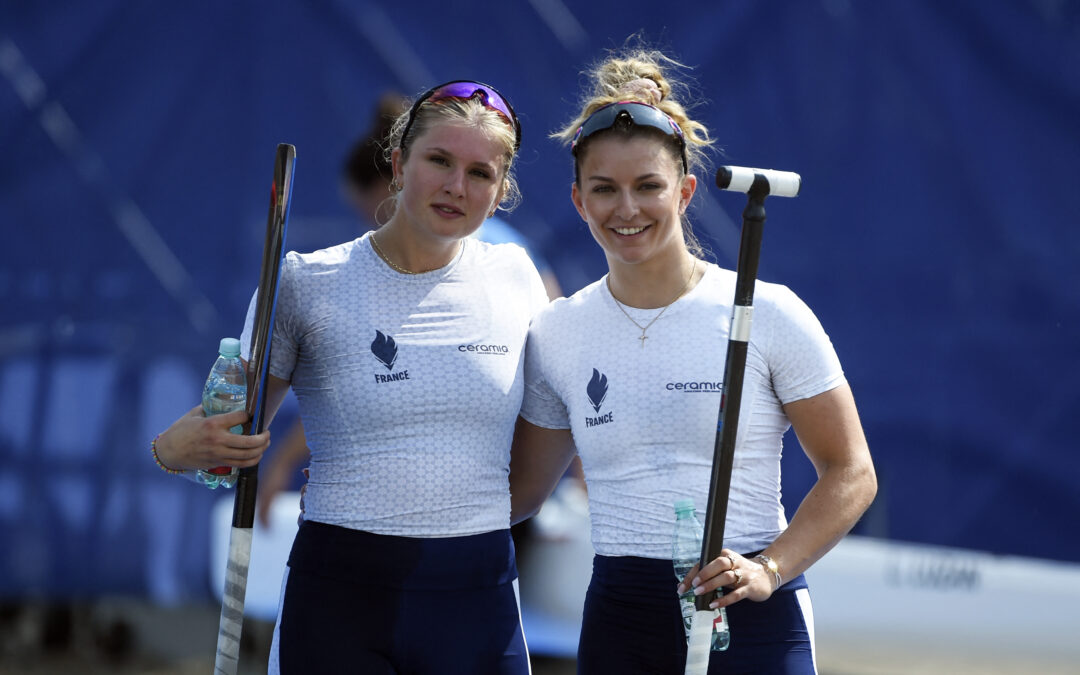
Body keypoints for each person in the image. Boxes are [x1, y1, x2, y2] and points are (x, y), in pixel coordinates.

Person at [152, 80, 548, 674]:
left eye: (480, 173)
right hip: (341, 595)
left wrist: (459, 520)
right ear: (397, 163)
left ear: (500, 193)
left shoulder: (517, 275)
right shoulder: (305, 283)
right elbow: (221, 429)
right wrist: (170, 451)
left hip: (478, 594)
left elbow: (549, 435)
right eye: (438, 160)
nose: (455, 186)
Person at [509, 47, 877, 674]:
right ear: (578, 201)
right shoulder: (559, 330)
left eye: (648, 186)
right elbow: (516, 496)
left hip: (752, 613)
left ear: (683, 192)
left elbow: (851, 473)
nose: (627, 209)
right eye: (605, 189)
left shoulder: (768, 310)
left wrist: (769, 569)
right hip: (621, 622)